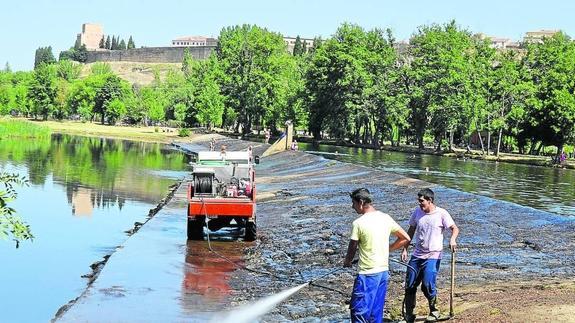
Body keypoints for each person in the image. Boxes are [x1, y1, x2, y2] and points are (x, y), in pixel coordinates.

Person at [344, 188, 411, 323]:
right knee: (376, 313)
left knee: (359, 312)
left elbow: (352, 247)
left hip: (367, 274)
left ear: (361, 202)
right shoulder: (385, 218)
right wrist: (388, 249)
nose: (353, 207)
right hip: (383, 273)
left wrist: (347, 261)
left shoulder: (358, 223)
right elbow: (405, 238)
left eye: (353, 203)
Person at [401, 188, 459, 323]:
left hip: (433, 255)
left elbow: (454, 228)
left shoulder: (442, 213)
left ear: (430, 200)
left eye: (422, 201)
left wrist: (452, 239)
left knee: (427, 284)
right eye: (419, 201)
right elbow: (410, 230)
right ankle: (410, 314)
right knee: (410, 285)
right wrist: (404, 248)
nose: (420, 204)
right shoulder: (417, 212)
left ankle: (434, 310)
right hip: (417, 254)